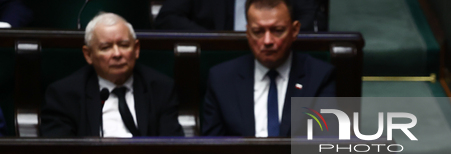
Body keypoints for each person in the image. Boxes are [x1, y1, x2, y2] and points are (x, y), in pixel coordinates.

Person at [201, 0, 335, 137]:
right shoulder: (222, 79)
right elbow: (212, 150)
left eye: (277, 31)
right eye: (258, 32)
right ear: (247, 32)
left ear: (294, 30)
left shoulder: (319, 76)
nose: (267, 41)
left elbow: (325, 145)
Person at [40, 13, 184, 138]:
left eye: (124, 45)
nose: (117, 54)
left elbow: (172, 147)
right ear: (88, 55)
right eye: (106, 47)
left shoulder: (160, 88)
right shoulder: (65, 94)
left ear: (136, 49)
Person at [154, 0, 325, 32]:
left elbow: (307, 19)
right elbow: (168, 17)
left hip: (279, 57)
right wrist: (215, 41)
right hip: (219, 61)